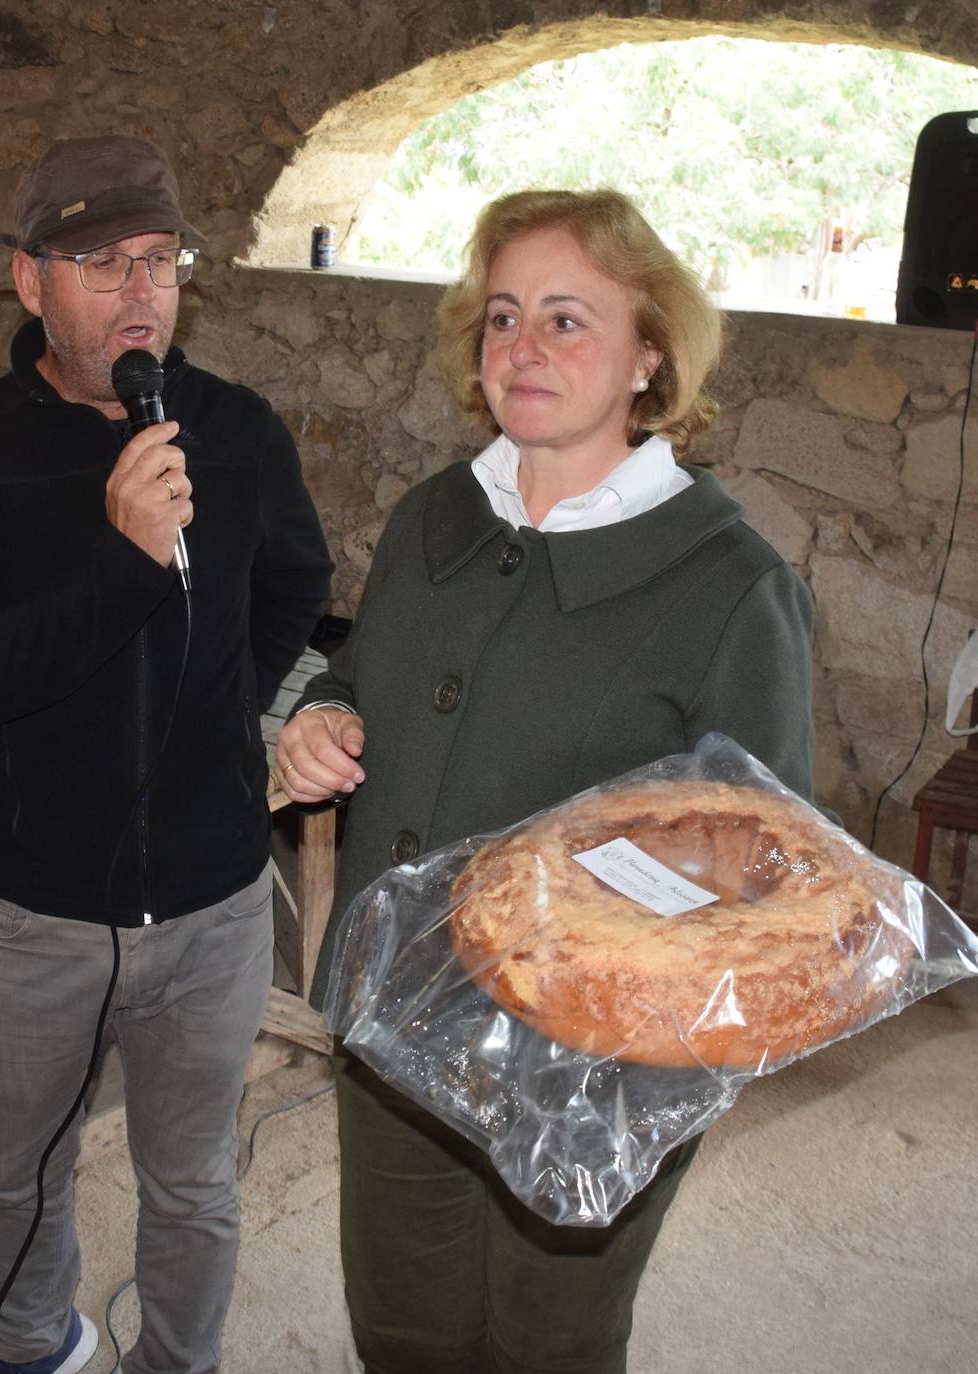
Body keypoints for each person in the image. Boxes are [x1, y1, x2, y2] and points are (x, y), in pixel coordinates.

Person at [276, 188, 815, 1374]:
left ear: (649, 356)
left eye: (568, 320)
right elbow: (361, 673)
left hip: (590, 1063)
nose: (523, 348)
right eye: (503, 317)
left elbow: (771, 875)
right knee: (405, 1329)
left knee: (548, 1344)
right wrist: (319, 722)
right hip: (394, 1021)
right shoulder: (433, 519)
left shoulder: (727, 586)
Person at [0, 135, 332, 1374]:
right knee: (21, 1169)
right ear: (30, 283)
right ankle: (33, 1343)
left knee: (191, 1180)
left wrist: (223, 711)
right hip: (34, 906)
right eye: (101, 264)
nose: (141, 291)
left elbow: (296, 579)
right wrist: (121, 560)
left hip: (214, 903)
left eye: (158, 260)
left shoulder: (236, 430)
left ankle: (175, 1361)